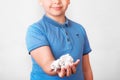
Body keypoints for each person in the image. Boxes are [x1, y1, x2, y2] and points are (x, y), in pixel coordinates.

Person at [26, 0, 93, 80]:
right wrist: (58, 67)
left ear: (68, 1)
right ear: (40, 1)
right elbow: (47, 65)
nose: (57, 1)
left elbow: (86, 70)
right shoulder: (35, 30)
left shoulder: (79, 29)